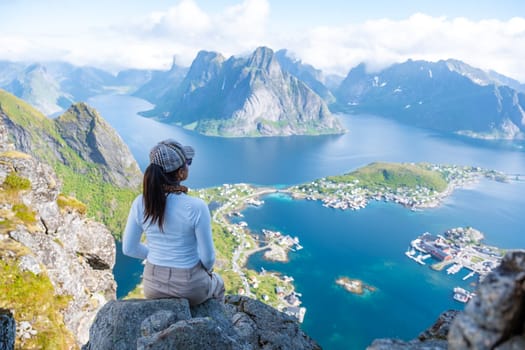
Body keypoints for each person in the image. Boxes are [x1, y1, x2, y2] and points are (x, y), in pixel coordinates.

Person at [122, 139, 225, 306]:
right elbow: (208, 259)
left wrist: (157, 255)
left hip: (152, 285)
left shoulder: (141, 202)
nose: (188, 166)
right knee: (218, 284)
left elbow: (129, 249)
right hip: (189, 286)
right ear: (180, 173)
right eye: (188, 163)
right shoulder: (196, 206)